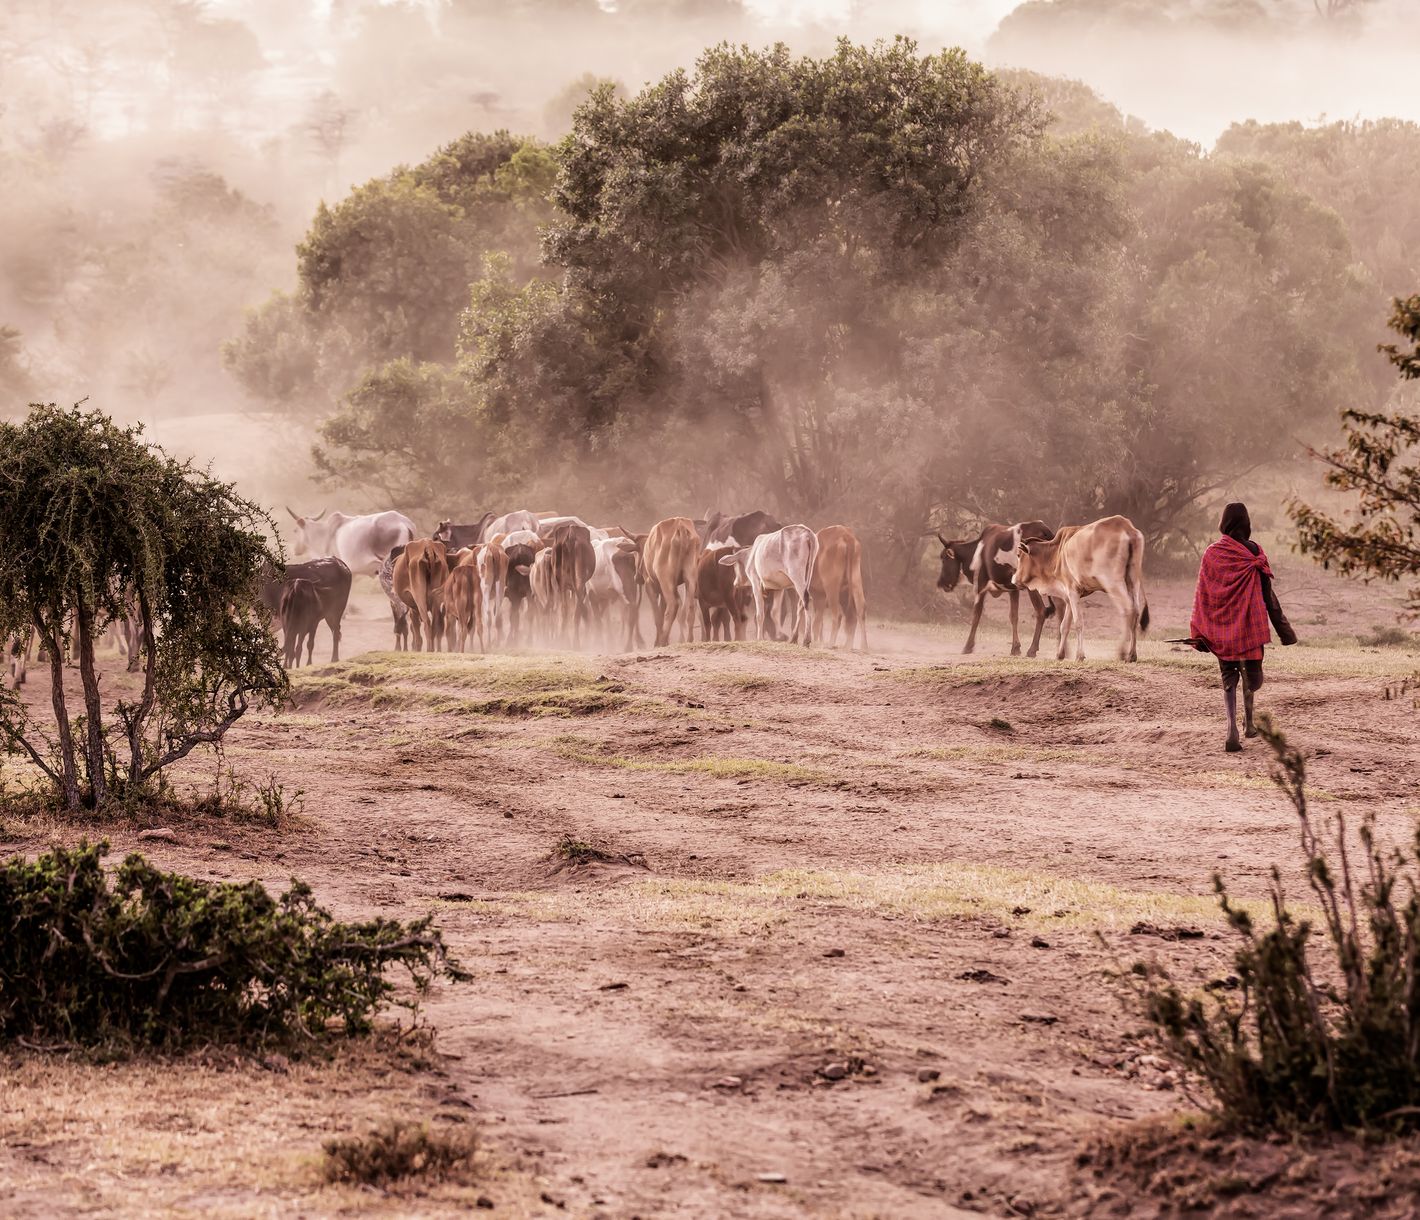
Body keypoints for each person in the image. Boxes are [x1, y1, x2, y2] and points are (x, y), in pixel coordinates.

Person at [1189, 503, 1297, 752]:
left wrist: (1200, 633)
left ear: (1224, 523)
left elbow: (1204, 596)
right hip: (1251, 628)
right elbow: (1268, 596)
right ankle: (1248, 724)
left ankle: (1231, 729)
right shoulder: (1255, 553)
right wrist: (1284, 630)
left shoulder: (1212, 553)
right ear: (1246, 523)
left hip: (1223, 630)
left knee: (1228, 677)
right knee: (1251, 676)